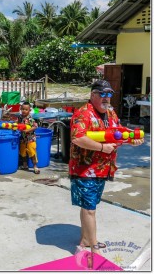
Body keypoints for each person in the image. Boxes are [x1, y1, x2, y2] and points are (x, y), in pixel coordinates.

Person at [69, 80, 144, 256]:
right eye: (102, 94)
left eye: (109, 94)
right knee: (89, 209)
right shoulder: (83, 113)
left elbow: (117, 131)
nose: (106, 98)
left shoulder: (110, 113)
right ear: (92, 95)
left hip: (103, 167)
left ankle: (86, 240)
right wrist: (103, 148)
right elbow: (77, 138)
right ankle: (93, 248)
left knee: (90, 205)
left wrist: (131, 139)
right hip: (85, 168)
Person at [17, 102, 40, 174]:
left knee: (32, 153)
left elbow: (35, 126)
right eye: (23, 109)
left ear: (29, 110)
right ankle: (25, 165)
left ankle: (35, 167)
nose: (24, 111)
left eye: (26, 109)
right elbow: (18, 124)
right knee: (23, 152)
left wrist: (27, 130)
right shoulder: (20, 117)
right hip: (23, 139)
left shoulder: (30, 118)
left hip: (30, 139)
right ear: (21, 109)